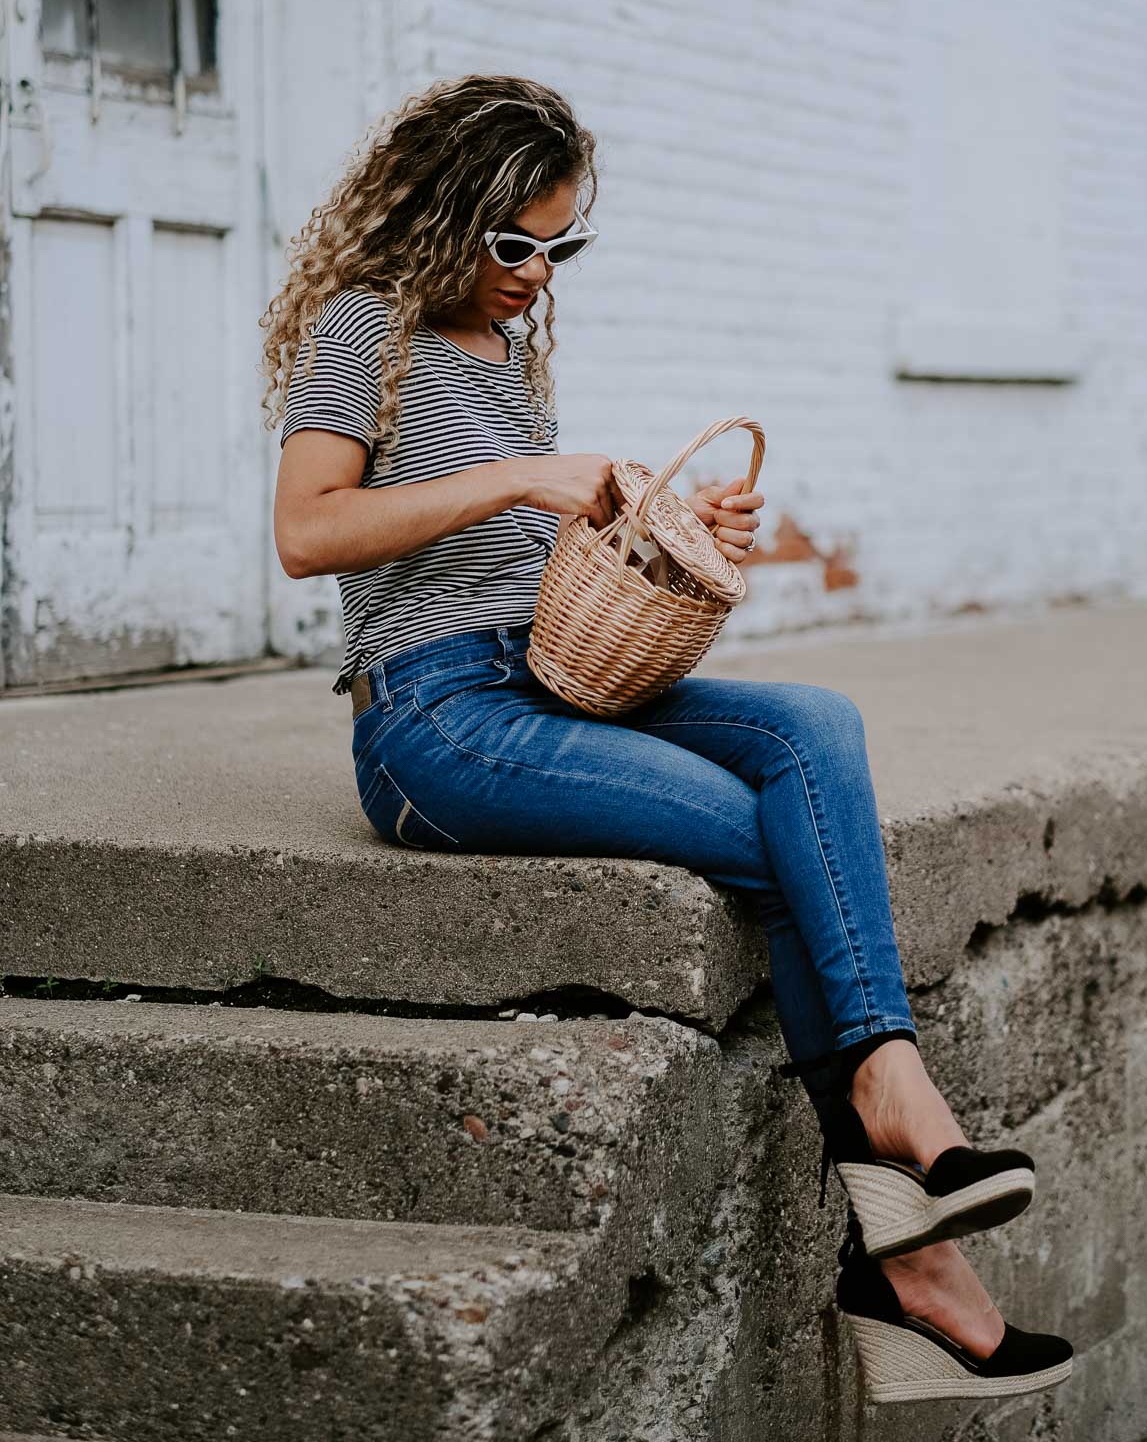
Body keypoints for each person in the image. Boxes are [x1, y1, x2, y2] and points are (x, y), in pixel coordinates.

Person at [259, 72, 1071, 1405]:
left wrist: (669, 528)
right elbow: (307, 532)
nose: (533, 271)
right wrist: (528, 474)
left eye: (558, 245)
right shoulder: (367, 328)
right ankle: (907, 1194)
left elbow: (531, 560)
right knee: (778, 837)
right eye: (511, 241)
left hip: (551, 678)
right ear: (443, 214)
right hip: (435, 721)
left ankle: (899, 1156)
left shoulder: (509, 357)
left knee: (815, 728)